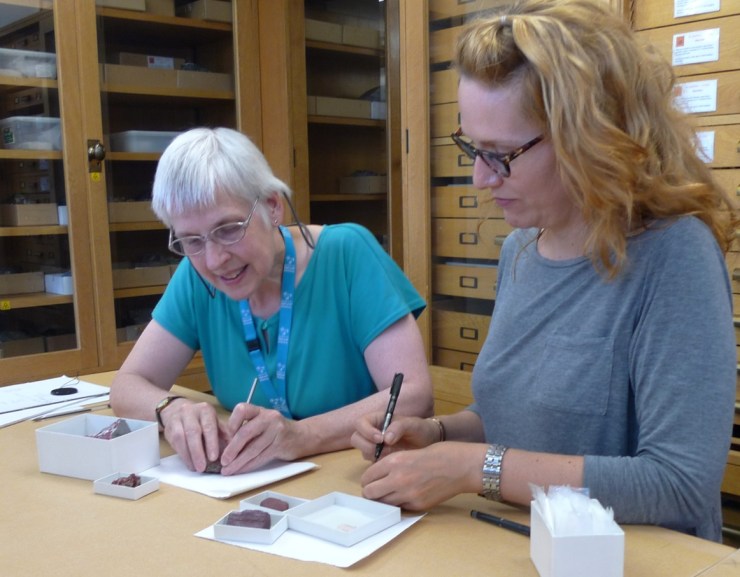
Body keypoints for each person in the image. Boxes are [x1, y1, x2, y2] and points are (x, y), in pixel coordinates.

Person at [351, 0, 737, 542]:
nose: (479, 181)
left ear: (592, 139)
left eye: (500, 154)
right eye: (471, 147)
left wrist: (470, 467)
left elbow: (678, 484)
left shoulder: (674, 256)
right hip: (520, 543)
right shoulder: (521, 250)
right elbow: (514, 417)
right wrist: (436, 435)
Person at [110, 127, 433, 476]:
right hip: (251, 490)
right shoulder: (195, 275)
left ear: (272, 207)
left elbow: (414, 396)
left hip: (352, 484)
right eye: (191, 240)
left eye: (229, 229)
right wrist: (169, 407)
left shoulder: (347, 253)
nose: (215, 259)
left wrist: (301, 435)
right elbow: (126, 386)